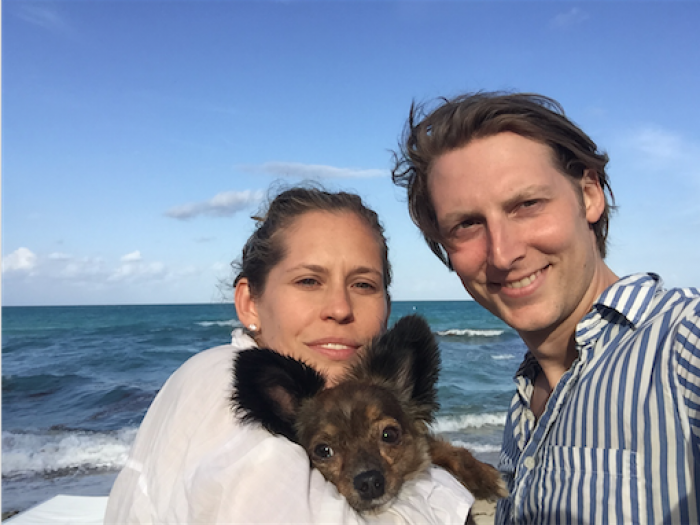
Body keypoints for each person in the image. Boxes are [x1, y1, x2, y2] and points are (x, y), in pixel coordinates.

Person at [392, 92, 700, 524]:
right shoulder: (526, 394)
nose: (503, 253)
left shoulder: (682, 341)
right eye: (467, 224)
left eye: (526, 205)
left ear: (589, 195)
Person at [104, 186, 474, 524]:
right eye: (308, 281)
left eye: (363, 284)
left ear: (386, 308)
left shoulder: (202, 371)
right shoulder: (242, 424)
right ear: (249, 302)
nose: (340, 308)